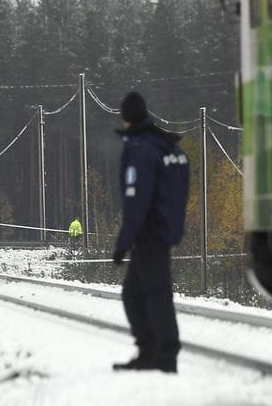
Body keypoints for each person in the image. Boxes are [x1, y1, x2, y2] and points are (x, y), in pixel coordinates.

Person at [111, 91, 190, 374]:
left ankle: (164, 356)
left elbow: (137, 200)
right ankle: (149, 351)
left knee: (155, 294)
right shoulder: (167, 147)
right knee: (135, 294)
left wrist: (123, 242)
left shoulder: (141, 149)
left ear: (127, 116)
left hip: (149, 235)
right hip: (162, 231)